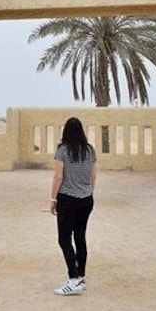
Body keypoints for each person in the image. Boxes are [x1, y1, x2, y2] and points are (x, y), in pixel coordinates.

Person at [50, 117, 97, 296]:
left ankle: (73, 279)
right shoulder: (90, 150)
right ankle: (81, 278)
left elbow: (58, 177)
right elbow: (93, 176)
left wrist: (53, 199)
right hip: (86, 199)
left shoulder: (62, 151)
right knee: (80, 237)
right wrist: (88, 192)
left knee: (64, 239)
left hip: (67, 199)